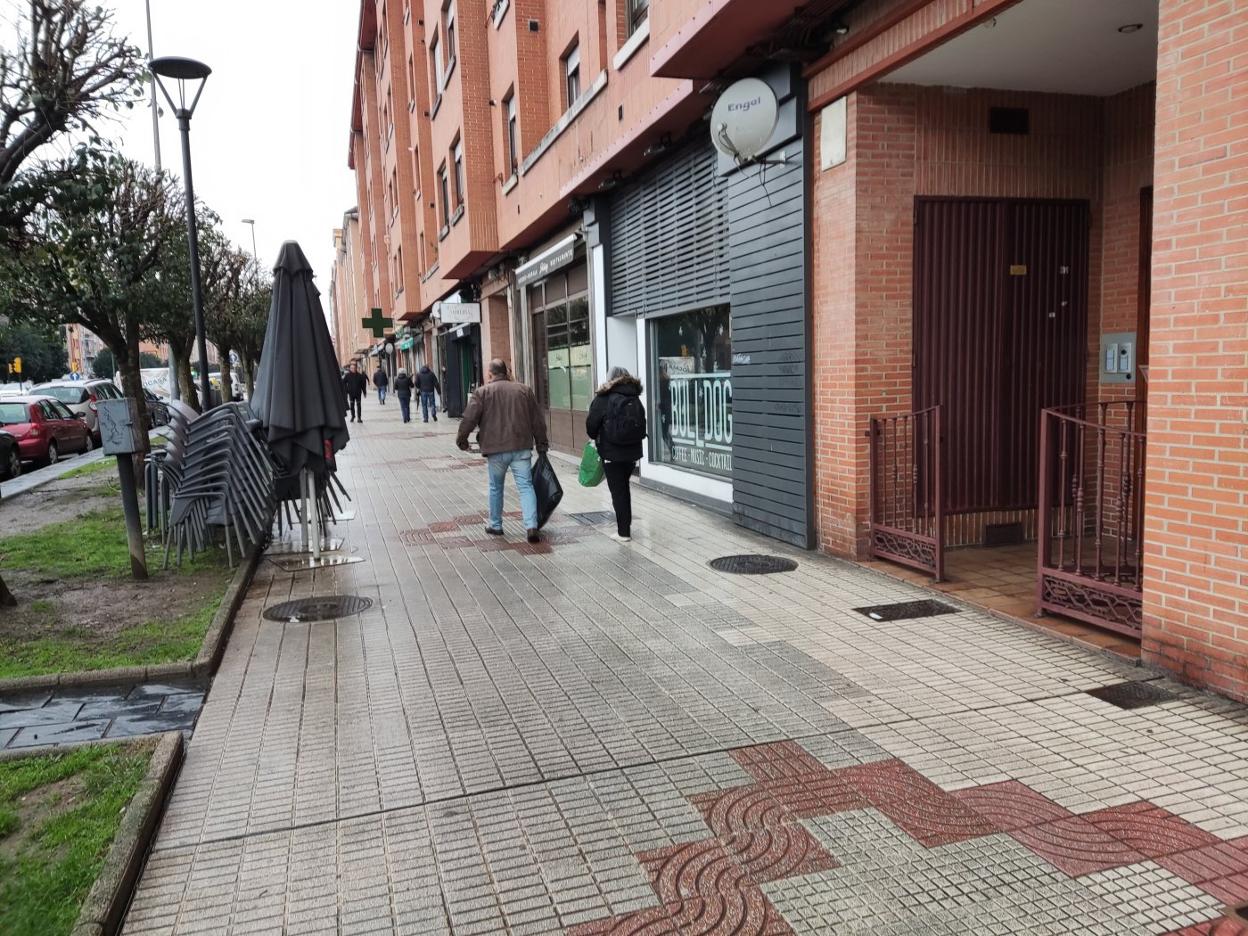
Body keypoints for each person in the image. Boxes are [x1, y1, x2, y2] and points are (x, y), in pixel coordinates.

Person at [457, 358, 548, 543]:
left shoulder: (482, 392)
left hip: (495, 449)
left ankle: (496, 525)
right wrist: (542, 445)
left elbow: (469, 419)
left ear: (490, 373)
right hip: (520, 447)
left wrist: (462, 440)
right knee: (525, 487)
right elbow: (537, 420)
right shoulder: (524, 390)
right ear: (506, 372)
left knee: (495, 487)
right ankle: (531, 526)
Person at [586, 366, 647, 542]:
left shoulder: (603, 398)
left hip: (611, 453)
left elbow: (591, 427)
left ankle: (623, 532)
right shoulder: (634, 396)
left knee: (618, 492)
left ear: (610, 379)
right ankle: (624, 527)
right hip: (632, 452)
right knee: (623, 488)